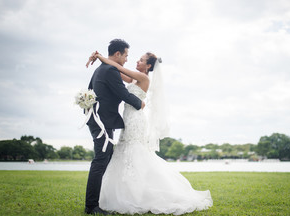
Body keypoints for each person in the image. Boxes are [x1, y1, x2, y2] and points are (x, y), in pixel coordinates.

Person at [86, 51, 213, 215]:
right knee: (125, 152)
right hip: (128, 118)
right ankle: (127, 194)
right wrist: (101, 58)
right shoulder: (133, 78)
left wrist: (103, 58)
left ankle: (144, 193)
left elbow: (117, 66)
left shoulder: (143, 78)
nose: (136, 61)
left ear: (148, 66)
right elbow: (115, 70)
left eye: (141, 60)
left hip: (136, 119)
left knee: (136, 152)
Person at [85, 39, 145, 215]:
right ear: (117, 54)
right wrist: (139, 103)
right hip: (101, 122)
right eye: (126, 55)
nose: (127, 59)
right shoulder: (110, 70)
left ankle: (101, 200)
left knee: (106, 158)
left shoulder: (101, 69)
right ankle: (91, 206)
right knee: (100, 160)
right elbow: (123, 93)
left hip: (100, 120)